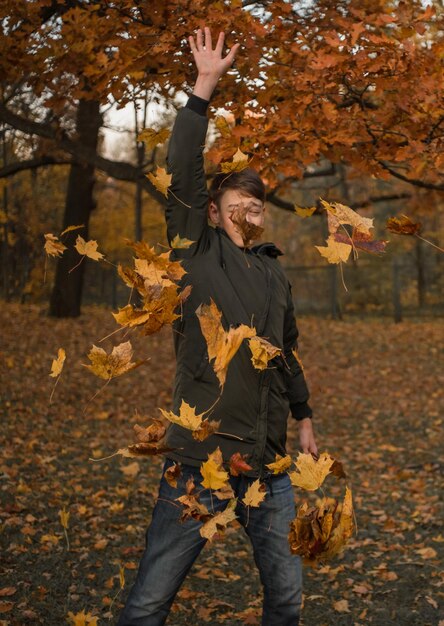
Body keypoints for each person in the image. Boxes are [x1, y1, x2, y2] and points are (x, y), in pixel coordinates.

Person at [117, 26, 317, 626]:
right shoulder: (195, 251)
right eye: (237, 207)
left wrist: (304, 416)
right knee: (152, 598)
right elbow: (181, 170)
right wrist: (204, 87)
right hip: (202, 455)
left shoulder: (275, 275)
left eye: (257, 208)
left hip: (269, 460)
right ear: (213, 212)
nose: (249, 216)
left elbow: (287, 352)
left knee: (285, 597)